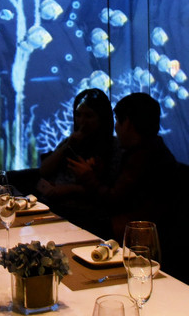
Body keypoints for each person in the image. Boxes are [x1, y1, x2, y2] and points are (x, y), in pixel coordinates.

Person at [77, 93, 179, 239]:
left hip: (138, 232)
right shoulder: (150, 149)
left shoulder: (142, 156)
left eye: (118, 121)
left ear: (128, 123)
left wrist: (87, 177)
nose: (116, 128)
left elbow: (114, 200)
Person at [33, 89, 115, 228]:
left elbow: (110, 191)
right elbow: (44, 171)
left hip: (84, 214)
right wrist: (67, 146)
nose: (82, 121)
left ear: (101, 118)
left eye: (89, 116)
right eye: (78, 115)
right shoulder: (71, 141)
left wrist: (69, 189)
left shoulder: (113, 147)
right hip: (52, 205)